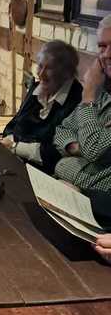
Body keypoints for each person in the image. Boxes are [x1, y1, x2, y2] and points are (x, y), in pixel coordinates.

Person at [1, 41, 82, 171]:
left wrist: (15, 146)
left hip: (45, 173)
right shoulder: (38, 88)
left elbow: (54, 152)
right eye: (40, 66)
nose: (41, 74)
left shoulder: (77, 101)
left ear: (66, 73)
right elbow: (13, 126)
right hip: (17, 160)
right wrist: (10, 143)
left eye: (49, 68)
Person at [53, 14, 111, 192]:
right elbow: (62, 131)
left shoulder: (92, 93)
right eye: (102, 46)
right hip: (67, 189)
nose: (107, 54)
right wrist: (77, 147)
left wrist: (88, 95)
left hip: (94, 201)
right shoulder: (103, 93)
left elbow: (93, 149)